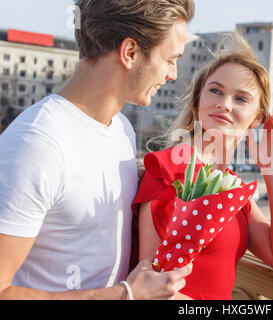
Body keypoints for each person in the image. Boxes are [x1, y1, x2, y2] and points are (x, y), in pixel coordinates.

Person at [0, 0, 195, 300]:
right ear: (130, 53)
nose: (172, 73)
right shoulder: (38, 143)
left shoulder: (121, 130)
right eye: (169, 59)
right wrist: (125, 294)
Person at [132, 33, 273, 300]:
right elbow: (151, 287)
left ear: (257, 118)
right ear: (199, 99)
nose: (224, 104)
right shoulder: (169, 169)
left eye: (241, 99)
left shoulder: (231, 185)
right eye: (216, 90)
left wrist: (272, 172)